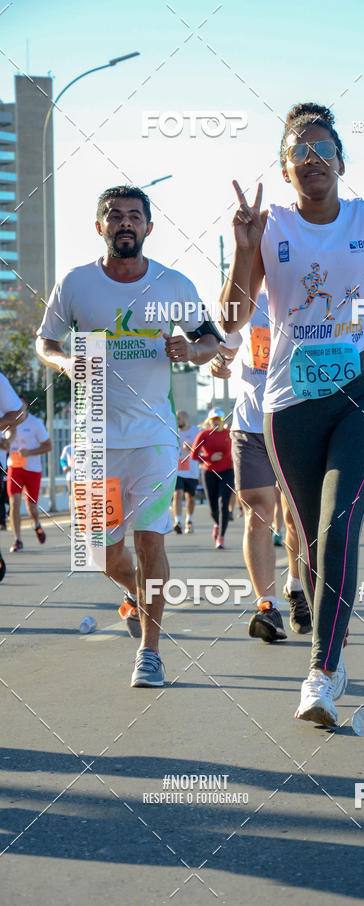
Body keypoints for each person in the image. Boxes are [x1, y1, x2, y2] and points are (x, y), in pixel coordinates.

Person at [220, 100, 364, 726]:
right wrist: (242, 248)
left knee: (339, 523)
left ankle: (321, 670)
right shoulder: (269, 225)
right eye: (300, 151)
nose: (312, 159)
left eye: (323, 149)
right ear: (285, 168)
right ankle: (330, 651)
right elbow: (233, 319)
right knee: (311, 535)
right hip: (292, 402)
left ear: (341, 161)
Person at [36, 185, 219, 687]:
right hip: (94, 437)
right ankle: (138, 596)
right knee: (103, 553)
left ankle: (150, 652)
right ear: (100, 227)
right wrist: (64, 361)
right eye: (114, 215)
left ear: (148, 228)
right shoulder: (76, 284)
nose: (124, 223)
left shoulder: (172, 284)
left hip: (153, 436)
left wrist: (192, 351)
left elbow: (211, 340)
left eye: (134, 216)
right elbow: (45, 341)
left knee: (150, 539)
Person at [210, 291, 311, 639]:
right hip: (249, 426)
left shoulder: (307, 298)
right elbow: (226, 348)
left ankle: (296, 587)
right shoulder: (246, 302)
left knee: (295, 517)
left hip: (295, 424)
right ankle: (267, 607)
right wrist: (218, 362)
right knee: (258, 513)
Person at [5, 398, 52, 552]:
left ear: (25, 406)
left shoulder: (35, 423)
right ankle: (17, 540)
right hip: (14, 468)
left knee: (32, 508)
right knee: (14, 503)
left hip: (33, 470)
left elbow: (48, 446)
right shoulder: (7, 423)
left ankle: (36, 524)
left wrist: (29, 452)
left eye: (19, 405)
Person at [191, 408, 234, 549]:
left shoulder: (229, 434)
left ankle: (221, 537)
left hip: (227, 472)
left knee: (223, 503)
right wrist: (209, 457)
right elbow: (193, 455)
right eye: (213, 419)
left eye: (218, 419)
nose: (216, 422)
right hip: (209, 473)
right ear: (209, 421)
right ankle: (217, 524)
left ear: (222, 420)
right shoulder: (204, 434)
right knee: (213, 507)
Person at [0, 374, 27, 579]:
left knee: (26, 505)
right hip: (12, 468)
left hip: (28, 469)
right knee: (14, 502)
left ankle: (19, 536)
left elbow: (18, 416)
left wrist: (7, 441)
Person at [172, 410, 200, 534]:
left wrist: (192, 449)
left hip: (192, 470)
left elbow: (202, 449)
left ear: (185, 418)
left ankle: (189, 520)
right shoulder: (173, 431)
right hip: (177, 470)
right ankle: (177, 522)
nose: (177, 421)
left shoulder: (196, 431)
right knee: (177, 494)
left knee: (191, 498)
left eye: (178, 418)